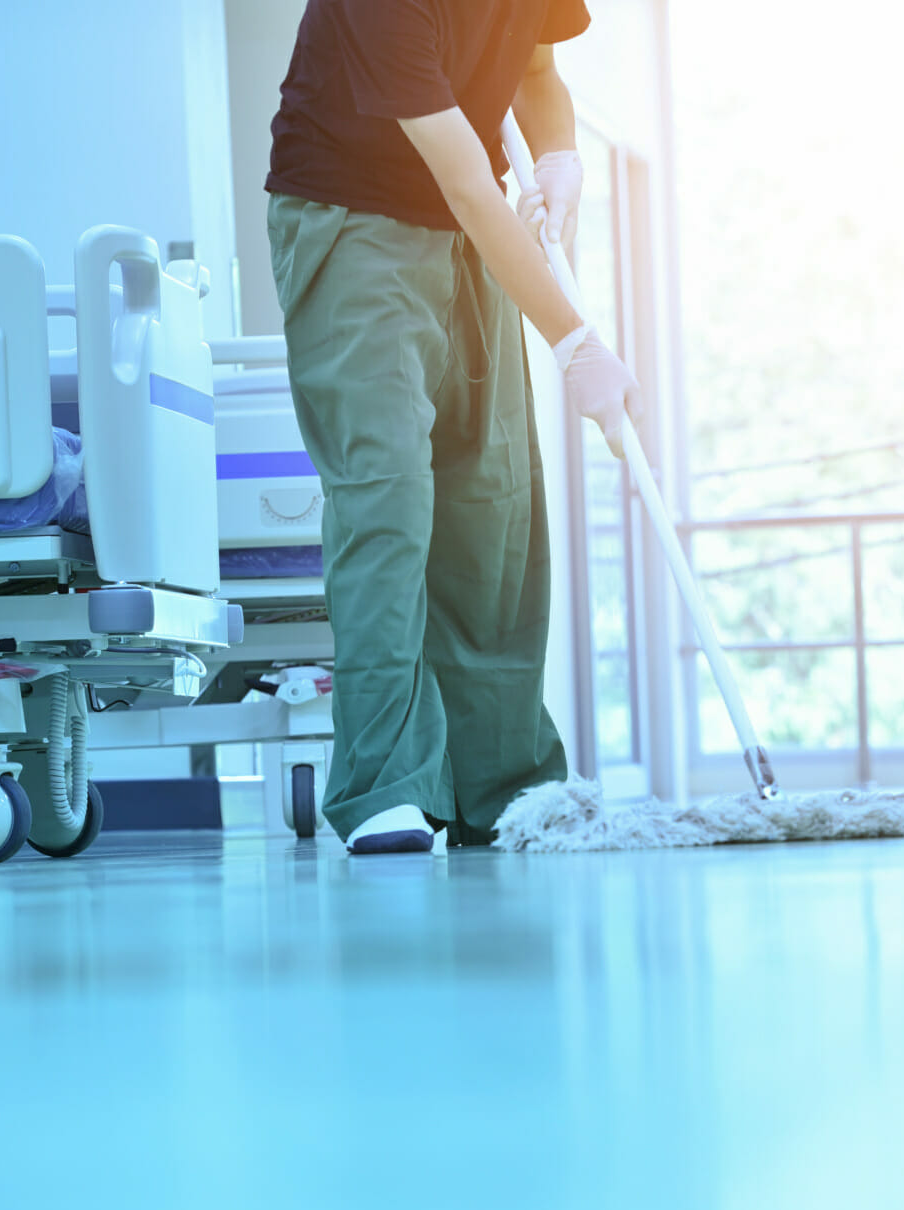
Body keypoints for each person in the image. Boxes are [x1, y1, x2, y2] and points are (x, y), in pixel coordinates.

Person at [263, 0, 636, 854]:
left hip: (466, 229)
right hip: (350, 218)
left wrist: (559, 155)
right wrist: (576, 343)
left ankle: (502, 788)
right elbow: (465, 183)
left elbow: (539, 74)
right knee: (388, 497)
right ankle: (384, 783)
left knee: (493, 502)